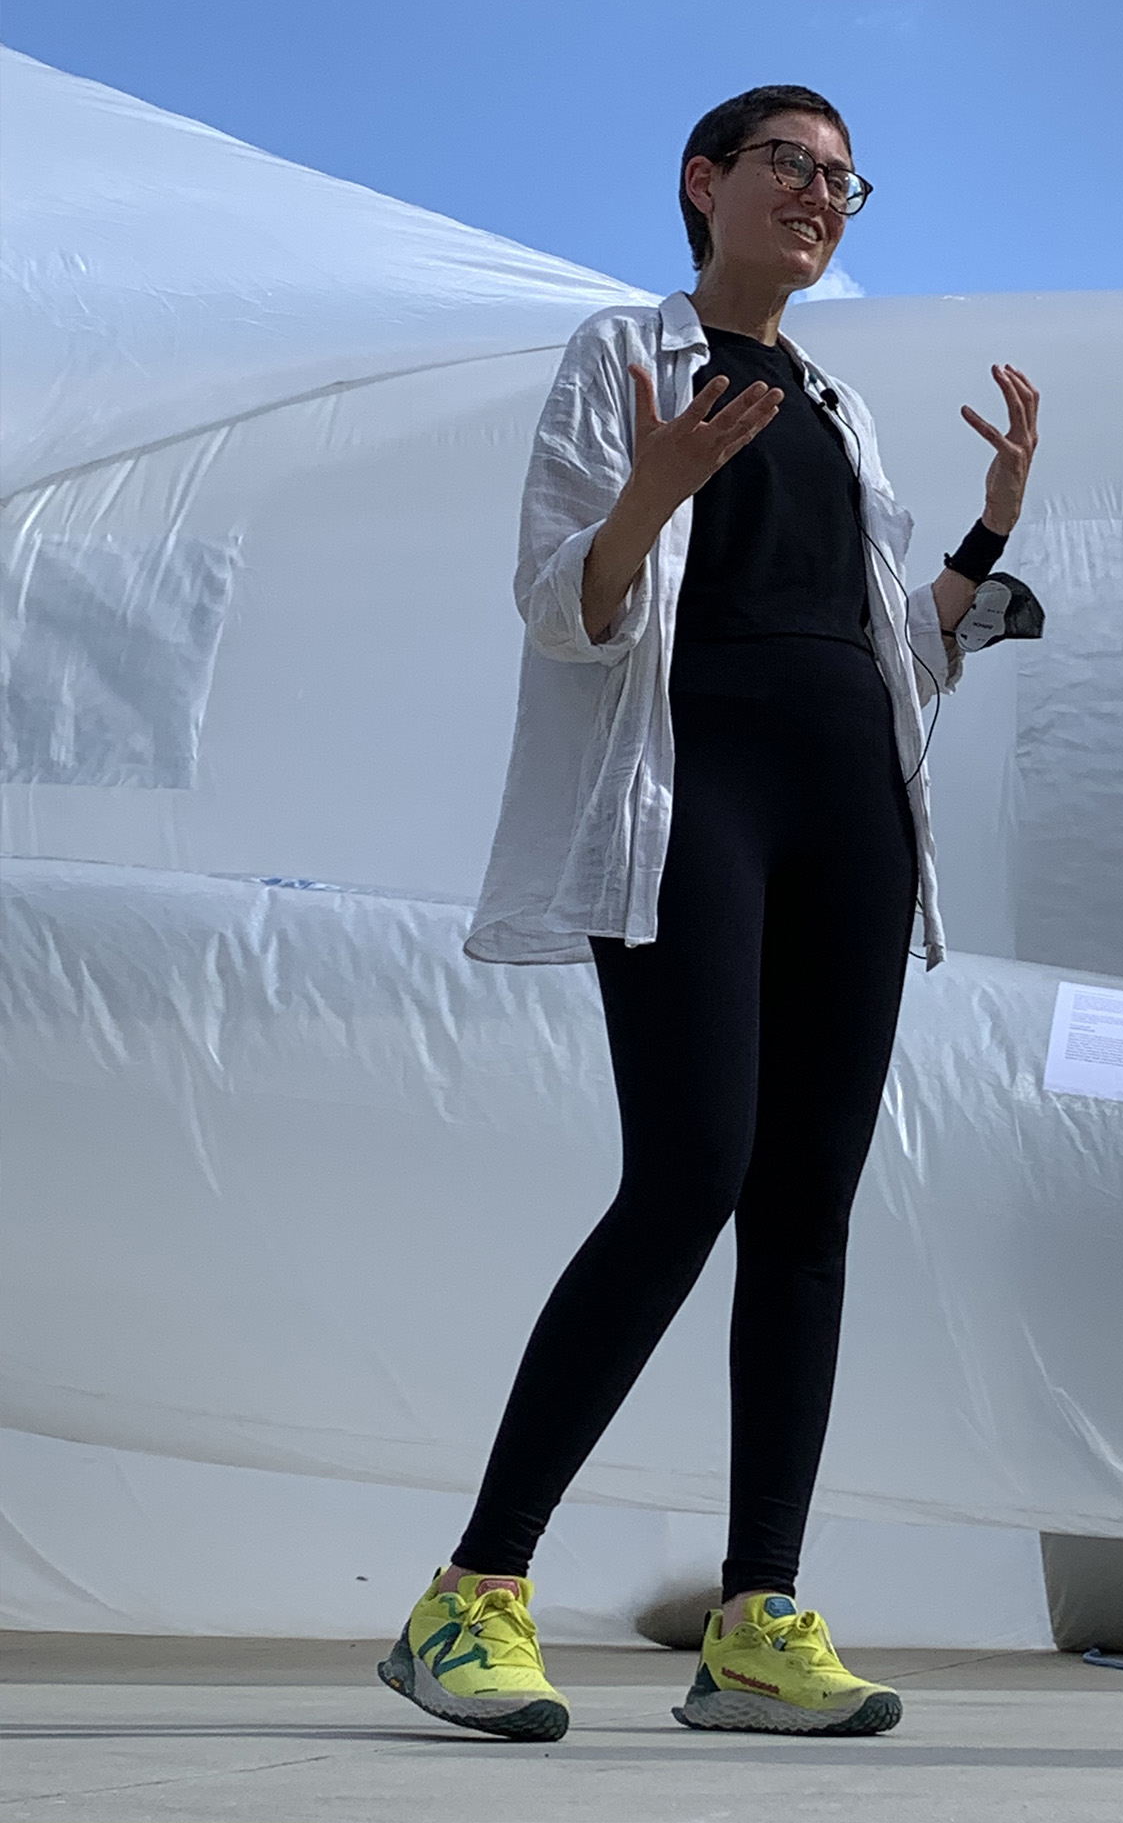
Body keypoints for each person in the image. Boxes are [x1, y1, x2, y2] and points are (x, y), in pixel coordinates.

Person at [378, 86, 1039, 1741]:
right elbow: (570, 607)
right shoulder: (624, 352)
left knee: (805, 1198)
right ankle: (473, 1593)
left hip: (855, 823)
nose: (822, 197)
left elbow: (900, 647)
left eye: (845, 182)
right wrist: (649, 493)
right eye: (790, 168)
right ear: (706, 182)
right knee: (689, 1174)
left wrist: (989, 538)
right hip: (693, 807)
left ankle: (758, 1620)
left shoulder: (838, 404)